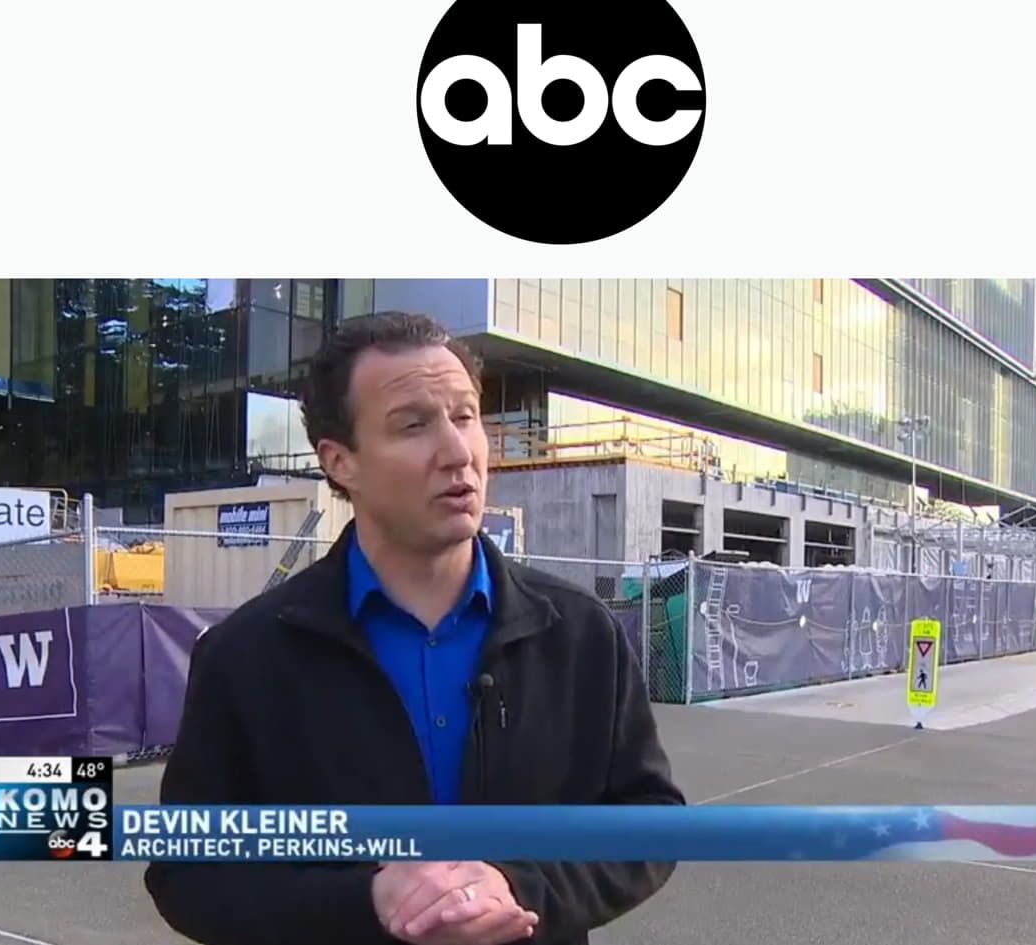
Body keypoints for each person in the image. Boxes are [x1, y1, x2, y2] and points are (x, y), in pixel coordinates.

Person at [145, 311, 684, 945]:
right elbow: (189, 871)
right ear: (340, 461)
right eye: (413, 425)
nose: (458, 452)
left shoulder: (581, 634)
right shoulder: (249, 655)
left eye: (465, 416)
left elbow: (650, 821)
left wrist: (520, 887)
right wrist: (368, 900)